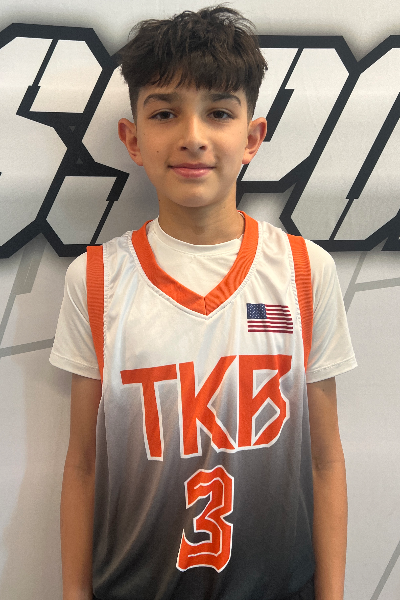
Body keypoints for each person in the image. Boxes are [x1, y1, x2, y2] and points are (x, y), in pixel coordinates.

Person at [50, 6, 357, 600]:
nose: (193, 135)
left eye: (218, 112)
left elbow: (325, 460)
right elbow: (83, 465)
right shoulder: (95, 279)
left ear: (252, 137)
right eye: (165, 112)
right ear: (133, 139)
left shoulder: (303, 271)